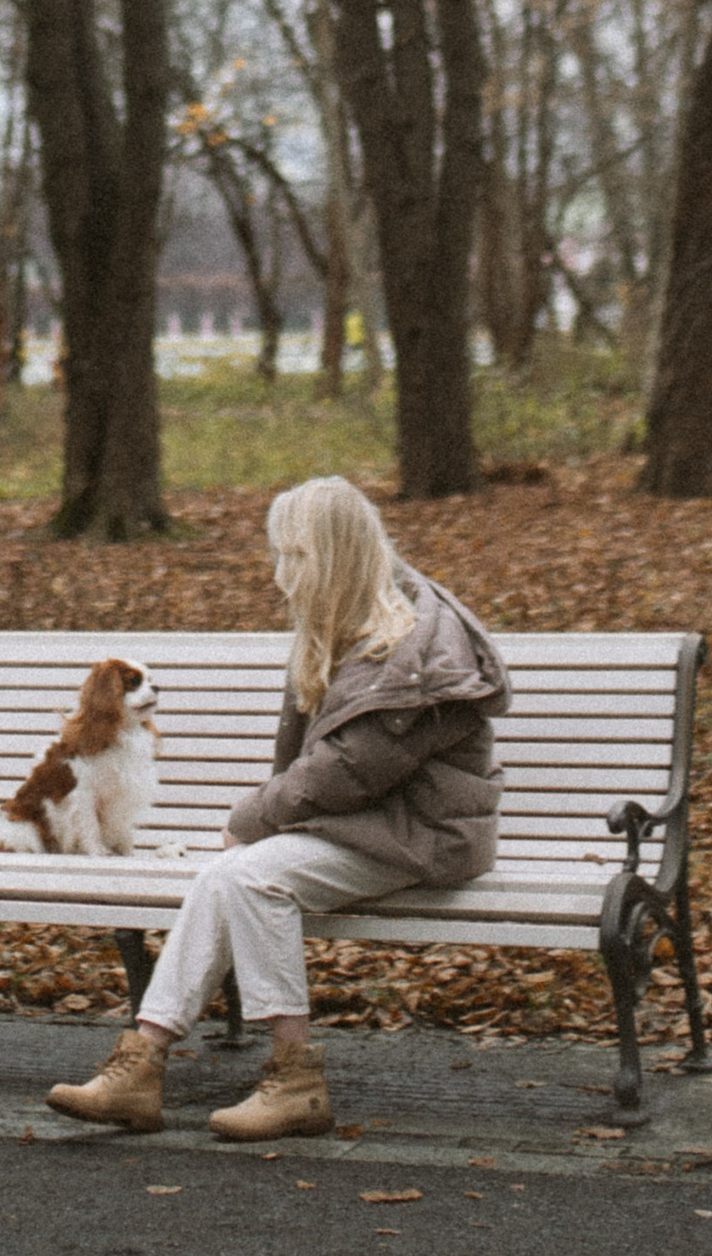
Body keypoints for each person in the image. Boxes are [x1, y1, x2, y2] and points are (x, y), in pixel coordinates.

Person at [45, 474, 508, 1142]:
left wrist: (251, 820)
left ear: (332, 557)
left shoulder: (414, 651)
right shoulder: (359, 618)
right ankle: (140, 1068)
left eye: (293, 555)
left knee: (249, 872)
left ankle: (294, 1080)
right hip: (371, 824)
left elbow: (349, 770)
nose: (281, 572)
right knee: (224, 876)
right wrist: (260, 825)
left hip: (422, 832)